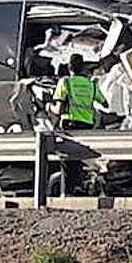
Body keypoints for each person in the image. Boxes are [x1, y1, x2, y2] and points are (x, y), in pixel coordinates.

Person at [47, 55, 105, 195]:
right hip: (87, 124)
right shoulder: (91, 84)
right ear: (83, 66)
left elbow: (58, 110)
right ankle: (78, 187)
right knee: (79, 159)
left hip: (70, 124)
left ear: (69, 67)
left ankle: (69, 192)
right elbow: (104, 102)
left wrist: (49, 106)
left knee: (68, 160)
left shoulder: (65, 82)